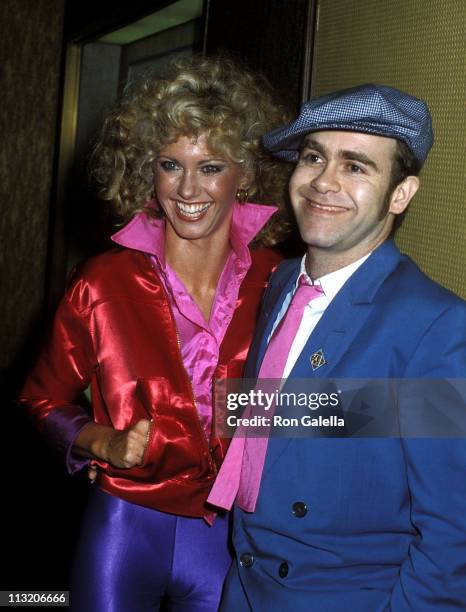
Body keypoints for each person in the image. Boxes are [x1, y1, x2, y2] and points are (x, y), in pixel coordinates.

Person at [19, 55, 291, 612]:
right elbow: (41, 398)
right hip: (125, 521)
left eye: (211, 166)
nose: (189, 187)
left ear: (246, 174)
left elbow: (311, 404)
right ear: (147, 169)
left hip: (231, 527)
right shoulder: (100, 283)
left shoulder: (280, 282)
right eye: (171, 164)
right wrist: (105, 443)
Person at [208, 84, 466, 610]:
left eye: (355, 166)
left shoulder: (436, 326)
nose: (323, 181)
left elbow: (452, 535)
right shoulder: (281, 283)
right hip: (242, 580)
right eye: (313, 157)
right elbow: (309, 415)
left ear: (401, 194)